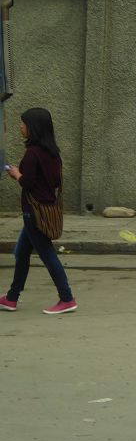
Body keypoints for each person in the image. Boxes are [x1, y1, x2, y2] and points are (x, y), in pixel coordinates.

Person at [0, 108, 77, 314]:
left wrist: (17, 174)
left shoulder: (33, 153)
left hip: (34, 212)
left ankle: (67, 298)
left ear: (33, 127)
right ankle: (11, 297)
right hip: (44, 210)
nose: (21, 127)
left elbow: (29, 183)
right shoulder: (52, 152)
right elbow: (51, 181)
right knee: (21, 253)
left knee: (47, 255)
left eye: (24, 123)